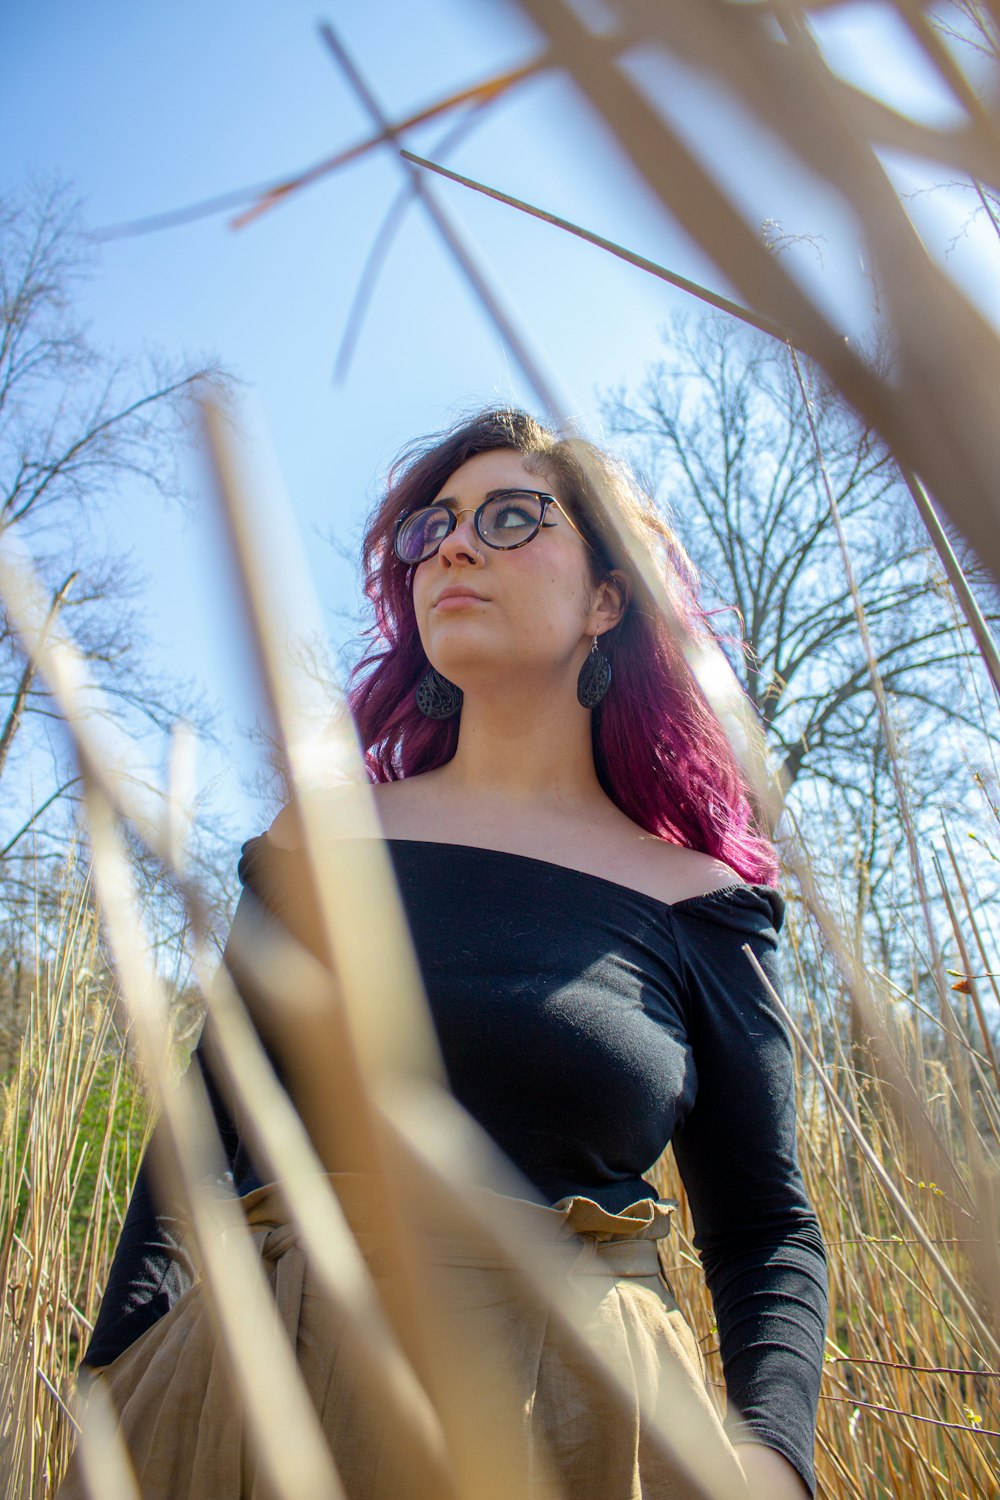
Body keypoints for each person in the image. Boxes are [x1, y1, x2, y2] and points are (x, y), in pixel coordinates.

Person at [70, 409, 827, 1499]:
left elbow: (766, 1229)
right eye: (432, 529)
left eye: (512, 517)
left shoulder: (698, 903)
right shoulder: (318, 845)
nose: (454, 547)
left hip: (578, 1424)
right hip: (257, 1402)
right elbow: (201, 1141)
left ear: (608, 600)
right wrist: (120, 1384)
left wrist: (769, 1459)